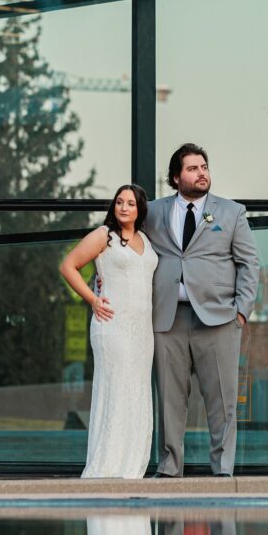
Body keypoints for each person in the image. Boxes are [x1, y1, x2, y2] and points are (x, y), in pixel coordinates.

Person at [144, 144, 260, 477]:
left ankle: (222, 470)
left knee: (222, 401)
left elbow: (249, 262)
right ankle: (169, 467)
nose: (202, 173)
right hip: (167, 318)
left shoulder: (231, 212)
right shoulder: (153, 212)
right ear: (176, 177)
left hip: (219, 319)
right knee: (169, 399)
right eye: (193, 168)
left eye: (204, 166)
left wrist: (241, 311)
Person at [60, 184, 157, 478]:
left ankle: (132, 470)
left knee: (138, 395)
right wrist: (92, 299)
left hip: (142, 332)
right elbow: (68, 266)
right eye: (119, 202)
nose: (124, 207)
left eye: (130, 203)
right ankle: (106, 470)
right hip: (112, 327)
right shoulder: (105, 236)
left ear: (140, 209)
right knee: (116, 393)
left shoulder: (146, 240)